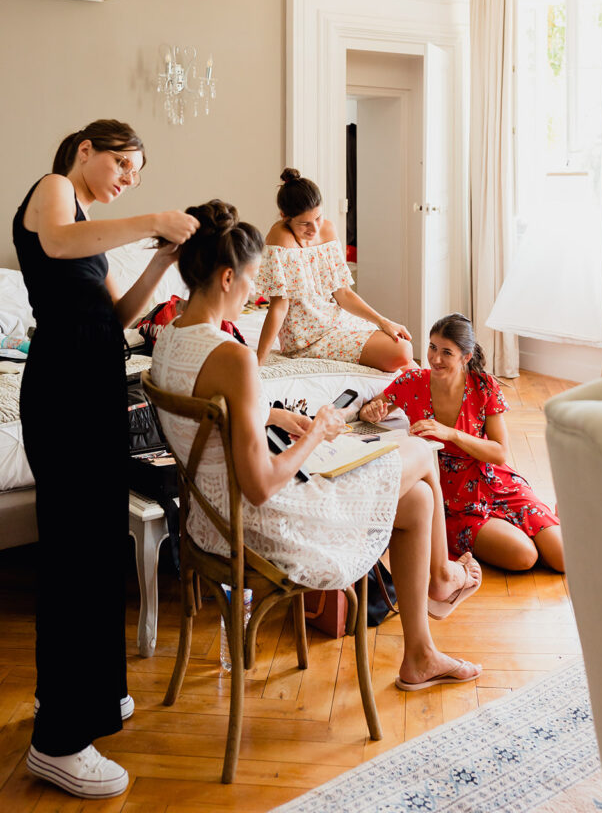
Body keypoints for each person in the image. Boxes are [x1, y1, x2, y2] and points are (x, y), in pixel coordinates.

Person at [151, 200, 483, 693]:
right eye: (253, 280)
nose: (255, 292)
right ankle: (439, 579)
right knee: (421, 451)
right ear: (226, 279)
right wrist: (323, 431)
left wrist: (278, 416)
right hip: (262, 526)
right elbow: (261, 487)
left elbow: (215, 413)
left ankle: (420, 654)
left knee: (416, 501)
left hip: (209, 522)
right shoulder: (234, 357)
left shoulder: (169, 339)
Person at [13, 120, 199, 799]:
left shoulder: (88, 220)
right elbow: (59, 242)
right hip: (63, 388)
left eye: (138, 173)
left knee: (93, 547)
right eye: (124, 162)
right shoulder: (55, 190)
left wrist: (157, 260)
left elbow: (112, 314)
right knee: (74, 552)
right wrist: (151, 217)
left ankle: (81, 696)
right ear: (85, 150)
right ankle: (59, 742)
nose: (129, 177)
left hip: (89, 383)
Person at [358, 313, 565, 573]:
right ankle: (520, 532)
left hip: (495, 482)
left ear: (466, 357)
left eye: (447, 352)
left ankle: (550, 522)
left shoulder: (484, 386)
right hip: (451, 500)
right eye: (432, 347)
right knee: (523, 556)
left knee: (562, 559)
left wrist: (452, 434)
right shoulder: (411, 382)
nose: (435, 358)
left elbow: (500, 453)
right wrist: (371, 412)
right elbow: (373, 409)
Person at [255, 169, 414, 371]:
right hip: (307, 339)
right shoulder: (280, 238)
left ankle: (439, 400)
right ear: (284, 217)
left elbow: (343, 293)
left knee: (406, 357)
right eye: (305, 224)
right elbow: (279, 306)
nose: (314, 229)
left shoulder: (328, 230)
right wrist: (258, 362)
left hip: (338, 323)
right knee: (403, 352)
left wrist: (384, 322)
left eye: (318, 218)